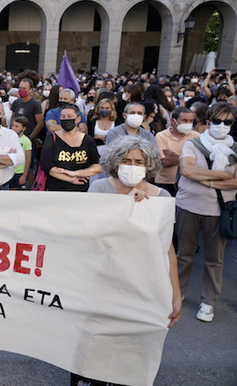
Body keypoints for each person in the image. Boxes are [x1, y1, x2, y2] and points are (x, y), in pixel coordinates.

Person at [78, 135, 182, 386]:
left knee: (132, 347)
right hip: (102, 283)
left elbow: (167, 250)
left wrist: (175, 295)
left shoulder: (162, 198)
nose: (133, 165)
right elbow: (90, 236)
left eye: (139, 161)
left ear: (149, 166)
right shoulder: (99, 188)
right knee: (96, 344)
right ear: (115, 162)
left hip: (142, 286)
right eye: (126, 160)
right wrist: (126, 206)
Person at [176, 102, 237, 323]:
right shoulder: (193, 144)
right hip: (188, 206)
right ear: (209, 121)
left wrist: (204, 179)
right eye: (218, 121)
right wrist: (221, 178)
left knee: (214, 259)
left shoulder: (235, 149)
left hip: (219, 211)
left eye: (227, 122)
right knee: (184, 254)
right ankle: (177, 291)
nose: (222, 125)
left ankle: (208, 301)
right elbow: (186, 170)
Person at [39, 103, 102, 192]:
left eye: (69, 116)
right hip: (55, 190)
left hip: (81, 190)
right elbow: (47, 166)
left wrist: (74, 173)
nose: (66, 119)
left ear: (78, 119)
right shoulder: (51, 139)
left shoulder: (87, 140)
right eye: (63, 117)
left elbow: (98, 166)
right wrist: (71, 179)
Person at [154, 107, 200, 196]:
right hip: (165, 182)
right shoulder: (161, 136)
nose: (188, 124)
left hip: (188, 181)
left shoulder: (196, 136)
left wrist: (175, 156)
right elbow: (164, 161)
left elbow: (199, 160)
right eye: (184, 120)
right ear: (173, 121)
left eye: (191, 121)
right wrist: (187, 158)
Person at [10, 77, 44, 143]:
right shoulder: (16, 102)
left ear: (30, 90)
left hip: (28, 139)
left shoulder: (35, 104)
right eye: (20, 88)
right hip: (16, 138)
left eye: (24, 88)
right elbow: (13, 118)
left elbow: (40, 124)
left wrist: (30, 137)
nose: (21, 90)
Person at [10, 116, 32, 189]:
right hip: (10, 171)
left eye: (16, 126)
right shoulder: (9, 139)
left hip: (20, 172)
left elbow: (28, 158)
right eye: (13, 125)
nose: (13, 128)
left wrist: (24, 175)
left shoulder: (26, 141)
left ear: (23, 128)